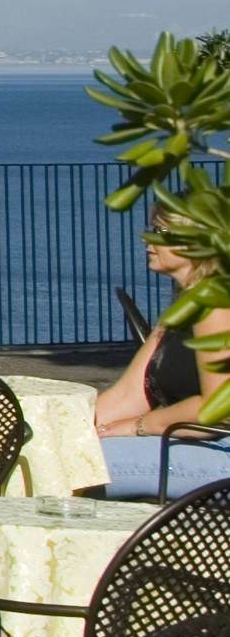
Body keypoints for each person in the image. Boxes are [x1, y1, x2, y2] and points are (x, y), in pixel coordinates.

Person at [96, 208, 229, 500]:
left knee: (79, 468)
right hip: (196, 446)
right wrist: (69, 427)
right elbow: (127, 395)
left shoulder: (217, 303)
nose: (148, 240)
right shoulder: (184, 305)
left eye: (162, 233)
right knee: (56, 453)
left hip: (223, 455)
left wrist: (137, 426)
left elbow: (216, 410)